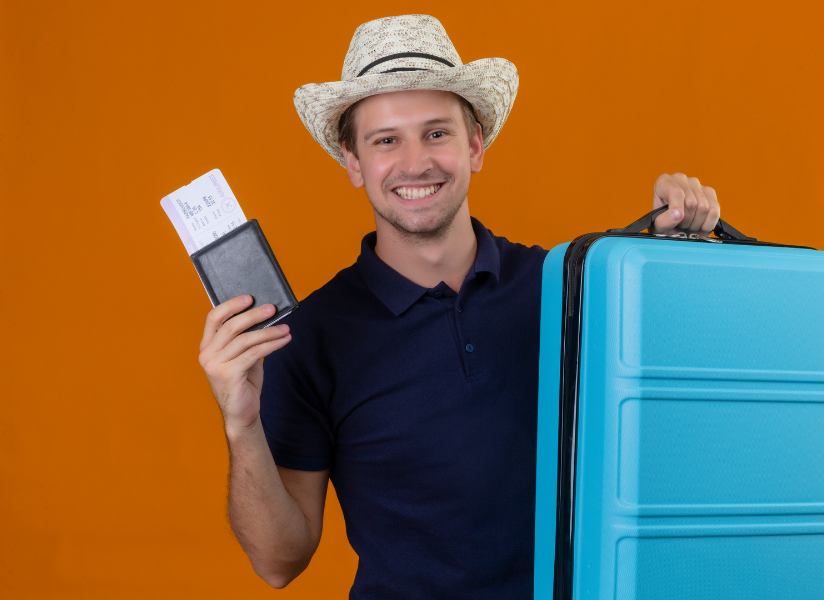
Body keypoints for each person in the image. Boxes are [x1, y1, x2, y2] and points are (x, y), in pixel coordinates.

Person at [197, 14, 722, 599]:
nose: (415, 162)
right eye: (386, 140)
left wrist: (683, 256)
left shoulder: (568, 286)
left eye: (437, 133)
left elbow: (685, 426)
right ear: (353, 162)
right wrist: (240, 424)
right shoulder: (309, 336)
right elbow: (279, 562)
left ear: (475, 145)